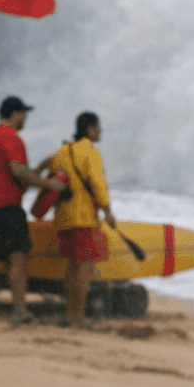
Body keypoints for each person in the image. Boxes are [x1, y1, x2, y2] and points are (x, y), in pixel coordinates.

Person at [0, 96, 65, 324]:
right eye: (24, 113)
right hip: (4, 207)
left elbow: (10, 176)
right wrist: (50, 185)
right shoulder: (11, 137)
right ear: (15, 114)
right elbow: (18, 172)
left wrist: (39, 168)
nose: (26, 118)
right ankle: (19, 310)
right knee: (18, 258)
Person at [38, 112, 115, 329]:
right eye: (98, 127)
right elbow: (98, 183)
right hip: (83, 218)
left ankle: (71, 314)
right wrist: (107, 210)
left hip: (63, 217)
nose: (101, 131)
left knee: (72, 268)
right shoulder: (90, 152)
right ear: (89, 129)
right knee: (83, 268)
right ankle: (78, 318)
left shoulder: (61, 152)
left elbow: (53, 180)